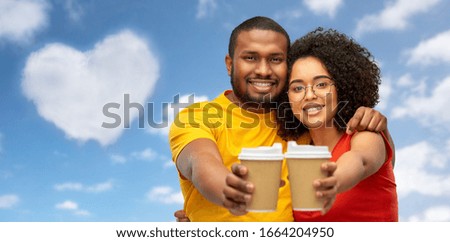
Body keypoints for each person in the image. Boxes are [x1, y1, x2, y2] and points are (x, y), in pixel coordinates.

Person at [169, 16, 392, 222]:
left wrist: (379, 127)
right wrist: (229, 190)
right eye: (250, 57)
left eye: (275, 59)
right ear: (230, 64)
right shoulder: (197, 117)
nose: (264, 70)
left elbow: (365, 160)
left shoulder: (296, 127)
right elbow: (199, 163)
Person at [276, 27, 398, 221]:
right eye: (297, 87)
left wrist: (334, 180)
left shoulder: (365, 135)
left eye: (321, 84)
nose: (309, 95)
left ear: (342, 86)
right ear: (286, 97)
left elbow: (361, 159)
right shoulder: (297, 155)